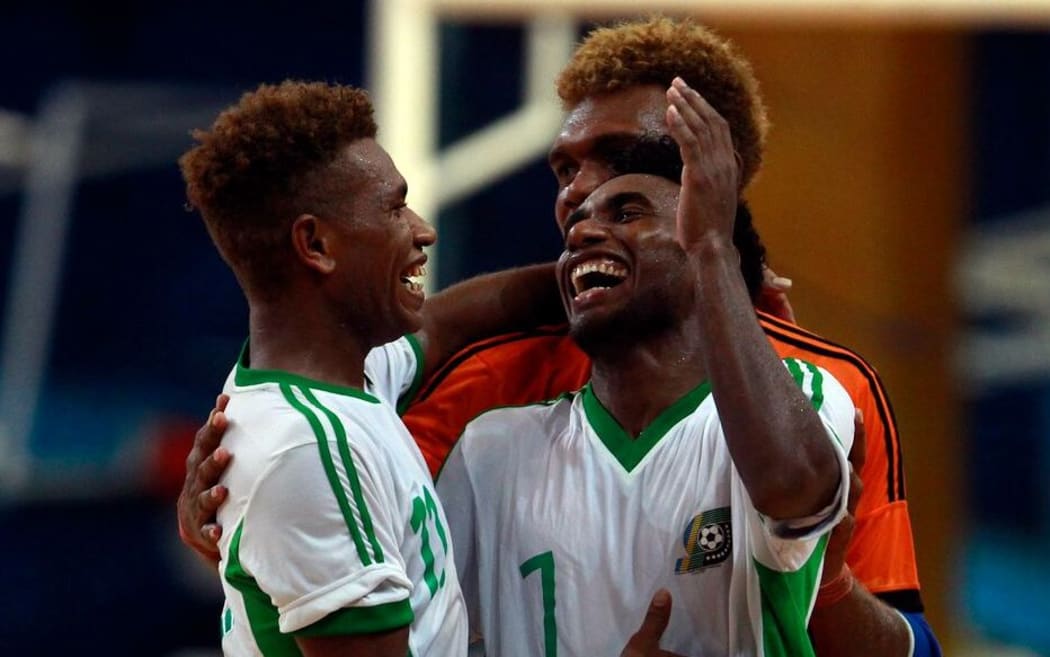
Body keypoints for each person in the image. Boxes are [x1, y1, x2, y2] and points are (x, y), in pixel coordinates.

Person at [179, 16, 940, 656]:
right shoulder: (481, 386)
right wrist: (229, 485)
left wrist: (720, 274)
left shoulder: (819, 387)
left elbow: (909, 638)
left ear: (711, 184)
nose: (580, 193)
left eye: (620, 168)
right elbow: (323, 453)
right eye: (565, 171)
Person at [438, 75, 855, 654]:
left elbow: (795, 489)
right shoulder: (491, 448)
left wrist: (713, 247)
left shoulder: (802, 389)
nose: (581, 229)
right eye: (578, 218)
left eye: (627, 212)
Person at [177, 80, 571, 656]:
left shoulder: (341, 380)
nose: (421, 228)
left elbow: (447, 324)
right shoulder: (310, 447)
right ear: (316, 244)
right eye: (393, 207)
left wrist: (594, 274)